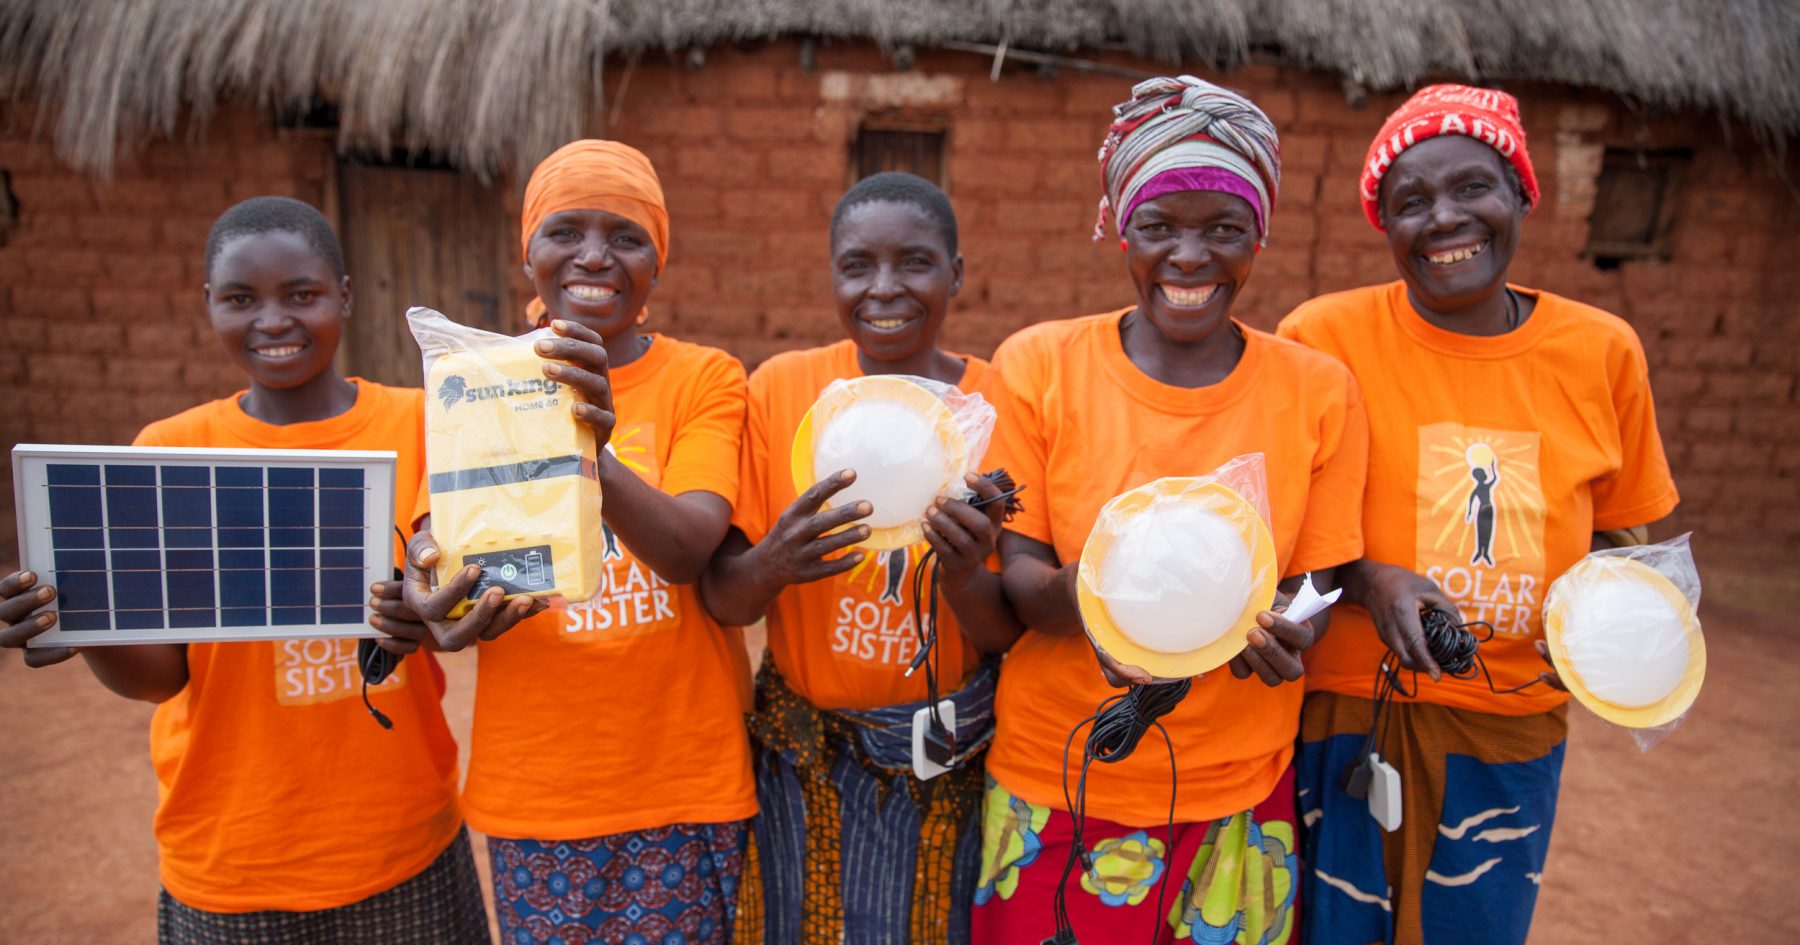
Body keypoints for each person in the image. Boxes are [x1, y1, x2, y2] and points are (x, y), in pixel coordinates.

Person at [0, 196, 489, 944]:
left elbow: (473, 595)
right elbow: (162, 677)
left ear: (346, 296)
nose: (273, 320)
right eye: (240, 298)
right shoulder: (167, 452)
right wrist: (85, 621)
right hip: (231, 856)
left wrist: (432, 620)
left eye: (302, 294)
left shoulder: (427, 426)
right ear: (208, 305)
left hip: (401, 843)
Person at [1277, 84, 1679, 945]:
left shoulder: (1601, 351)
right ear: (1384, 225)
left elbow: (1623, 532)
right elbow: (1286, 530)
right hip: (1345, 716)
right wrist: (1372, 583)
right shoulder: (1324, 339)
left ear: (1522, 195)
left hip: (1511, 725)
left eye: (1473, 188)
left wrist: (1608, 623)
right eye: (1411, 202)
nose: (1446, 219)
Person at [972, 77, 1369, 945]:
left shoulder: (1316, 392)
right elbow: (1025, 587)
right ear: (1123, 231)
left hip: (1235, 790)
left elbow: (1314, 585)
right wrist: (1128, 600)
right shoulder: (1040, 366)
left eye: (1223, 229)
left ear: (1258, 236)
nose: (1190, 257)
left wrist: (1283, 633)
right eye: (1159, 228)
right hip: (1059, 780)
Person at [396, 139, 756, 945]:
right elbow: (438, 545)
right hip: (540, 788)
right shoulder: (482, 378)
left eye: (626, 236)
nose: (594, 255)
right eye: (566, 231)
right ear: (529, 253)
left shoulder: (706, 377)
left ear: (656, 263)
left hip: (683, 778)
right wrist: (432, 591)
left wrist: (590, 443)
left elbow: (688, 549)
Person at [700, 171, 1023, 945]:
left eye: (914, 262)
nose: (884, 288)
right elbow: (727, 600)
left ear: (957, 273)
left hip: (942, 759)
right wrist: (774, 561)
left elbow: (1005, 634)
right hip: (801, 753)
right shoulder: (784, 390)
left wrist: (961, 573)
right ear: (831, 274)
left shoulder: (998, 405)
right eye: (857, 266)